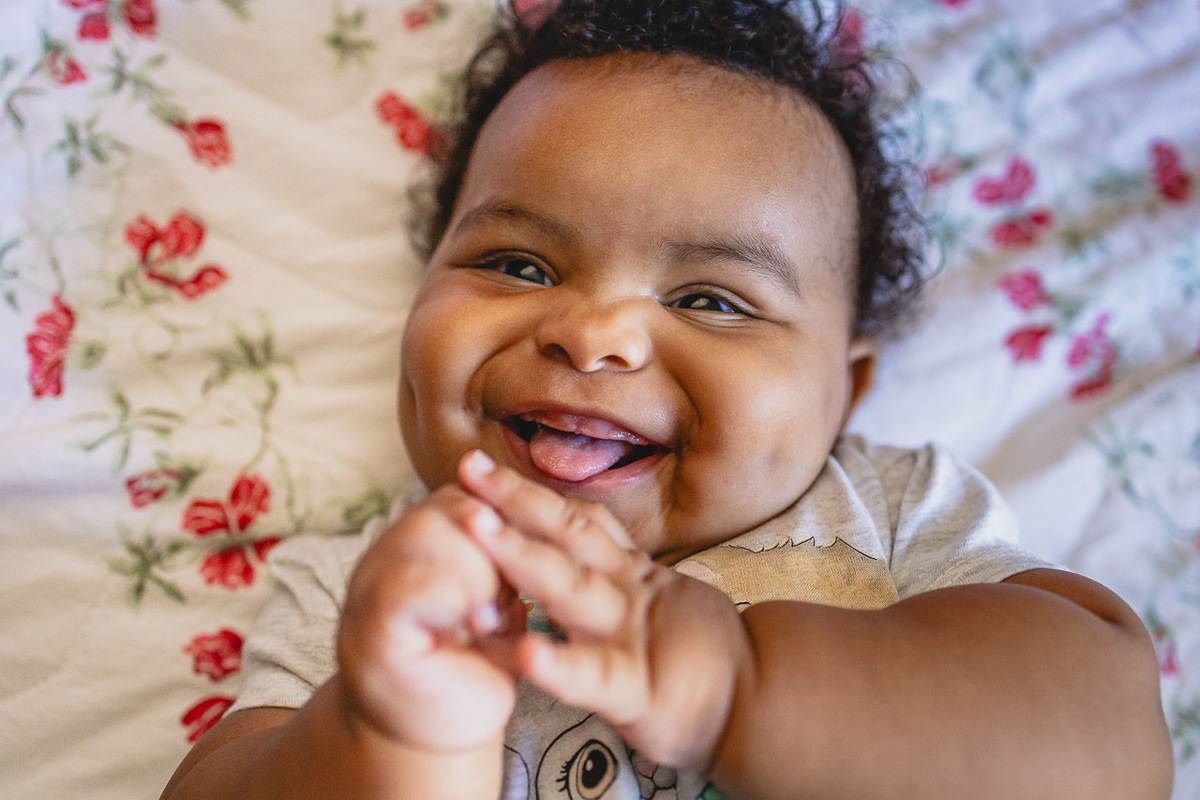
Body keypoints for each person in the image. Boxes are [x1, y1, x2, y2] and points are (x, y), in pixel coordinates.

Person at [161, 1, 1173, 798]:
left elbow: (1107, 740)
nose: (593, 332)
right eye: (516, 262)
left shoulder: (888, 509)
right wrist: (385, 733)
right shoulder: (377, 596)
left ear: (845, 389)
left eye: (709, 298)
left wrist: (730, 681)